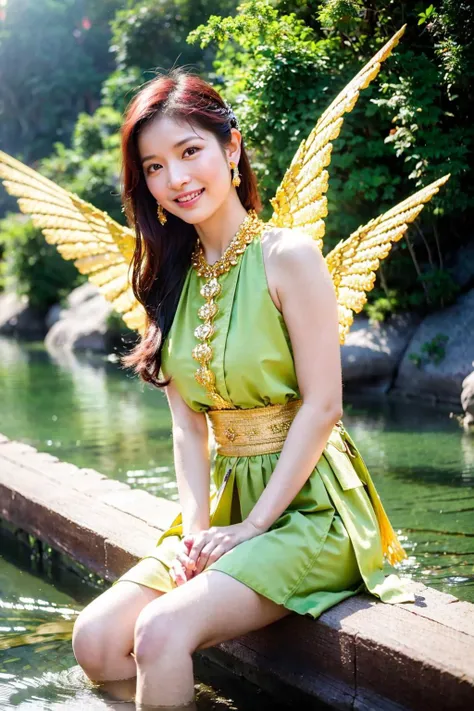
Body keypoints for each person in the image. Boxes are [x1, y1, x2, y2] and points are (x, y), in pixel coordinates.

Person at [68, 66, 419, 709]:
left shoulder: (289, 257)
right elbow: (187, 424)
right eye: (153, 167)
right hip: (229, 508)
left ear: (231, 148)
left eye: (189, 151)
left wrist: (255, 526)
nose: (175, 179)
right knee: (93, 638)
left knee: (160, 631)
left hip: (311, 510)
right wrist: (199, 530)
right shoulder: (169, 277)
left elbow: (324, 406)